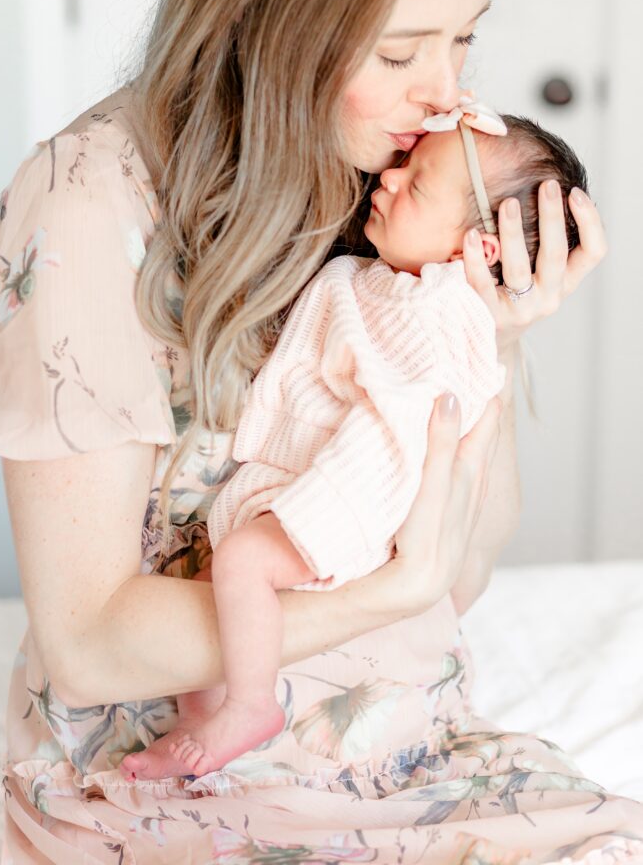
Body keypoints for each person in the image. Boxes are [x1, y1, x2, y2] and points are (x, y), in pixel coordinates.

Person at [0, 0, 639, 861]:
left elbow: (458, 575)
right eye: (399, 52)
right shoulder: (85, 211)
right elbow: (91, 643)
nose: (444, 95)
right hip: (177, 764)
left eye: (461, 38)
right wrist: (383, 599)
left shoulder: (389, 186)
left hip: (403, 737)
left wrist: (489, 340)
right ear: (263, 17)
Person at [118, 105, 591, 784]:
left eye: (416, 186)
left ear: (480, 251)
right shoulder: (387, 282)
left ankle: (249, 706)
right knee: (220, 610)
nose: (389, 180)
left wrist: (327, 507)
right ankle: (219, 713)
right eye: (403, 166)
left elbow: (400, 428)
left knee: (246, 564)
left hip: (358, 488)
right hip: (333, 489)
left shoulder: (436, 313)